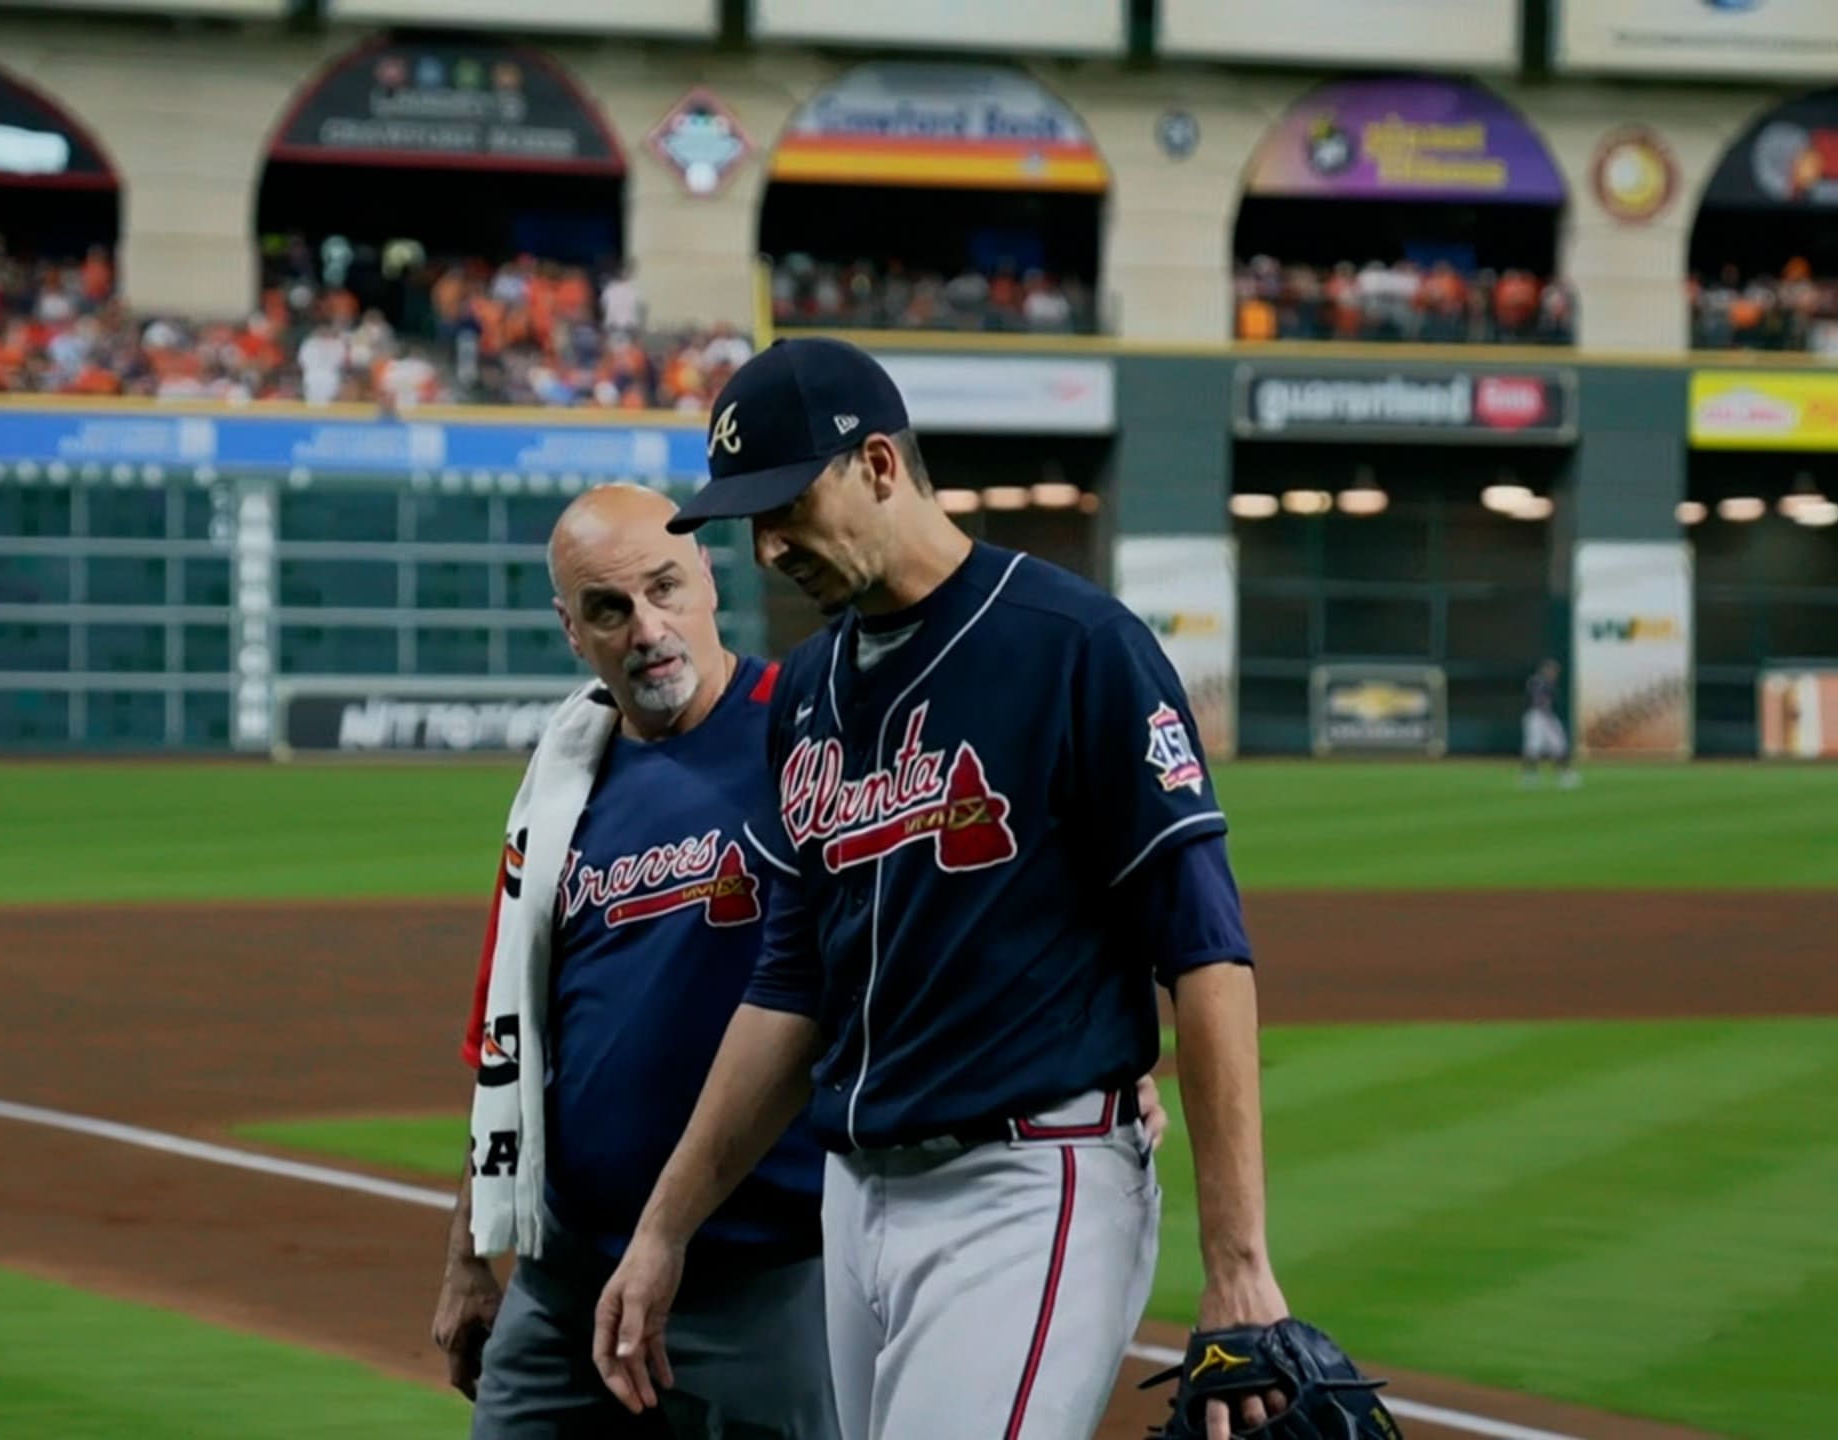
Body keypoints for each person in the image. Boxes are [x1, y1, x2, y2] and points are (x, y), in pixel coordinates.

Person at [587, 336, 1300, 1440]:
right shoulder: (810, 689)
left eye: (786, 505)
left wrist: (1238, 1266)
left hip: (1029, 1182)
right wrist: (663, 1229)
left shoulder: (1074, 646)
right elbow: (789, 986)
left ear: (878, 464)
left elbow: (1204, 950)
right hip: (854, 1199)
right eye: (748, 522)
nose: (768, 547)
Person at [432, 481, 1170, 1437]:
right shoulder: (561, 786)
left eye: (666, 587)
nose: (648, 628)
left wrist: (1095, 1058)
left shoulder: (819, 725)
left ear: (707, 579)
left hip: (761, 1284)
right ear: (572, 630)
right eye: (609, 609)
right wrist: (467, 1249)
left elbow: (984, 903)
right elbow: (511, 1038)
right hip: (564, 1281)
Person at [1522, 658, 1577, 788]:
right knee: (1534, 746)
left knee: (1558, 745)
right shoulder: (1540, 682)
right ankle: (1530, 776)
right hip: (1538, 716)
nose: (1554, 673)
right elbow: (1538, 698)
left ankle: (1564, 775)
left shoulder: (1542, 682)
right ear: (1545, 669)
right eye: (1552, 670)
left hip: (1544, 716)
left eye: (1555, 671)